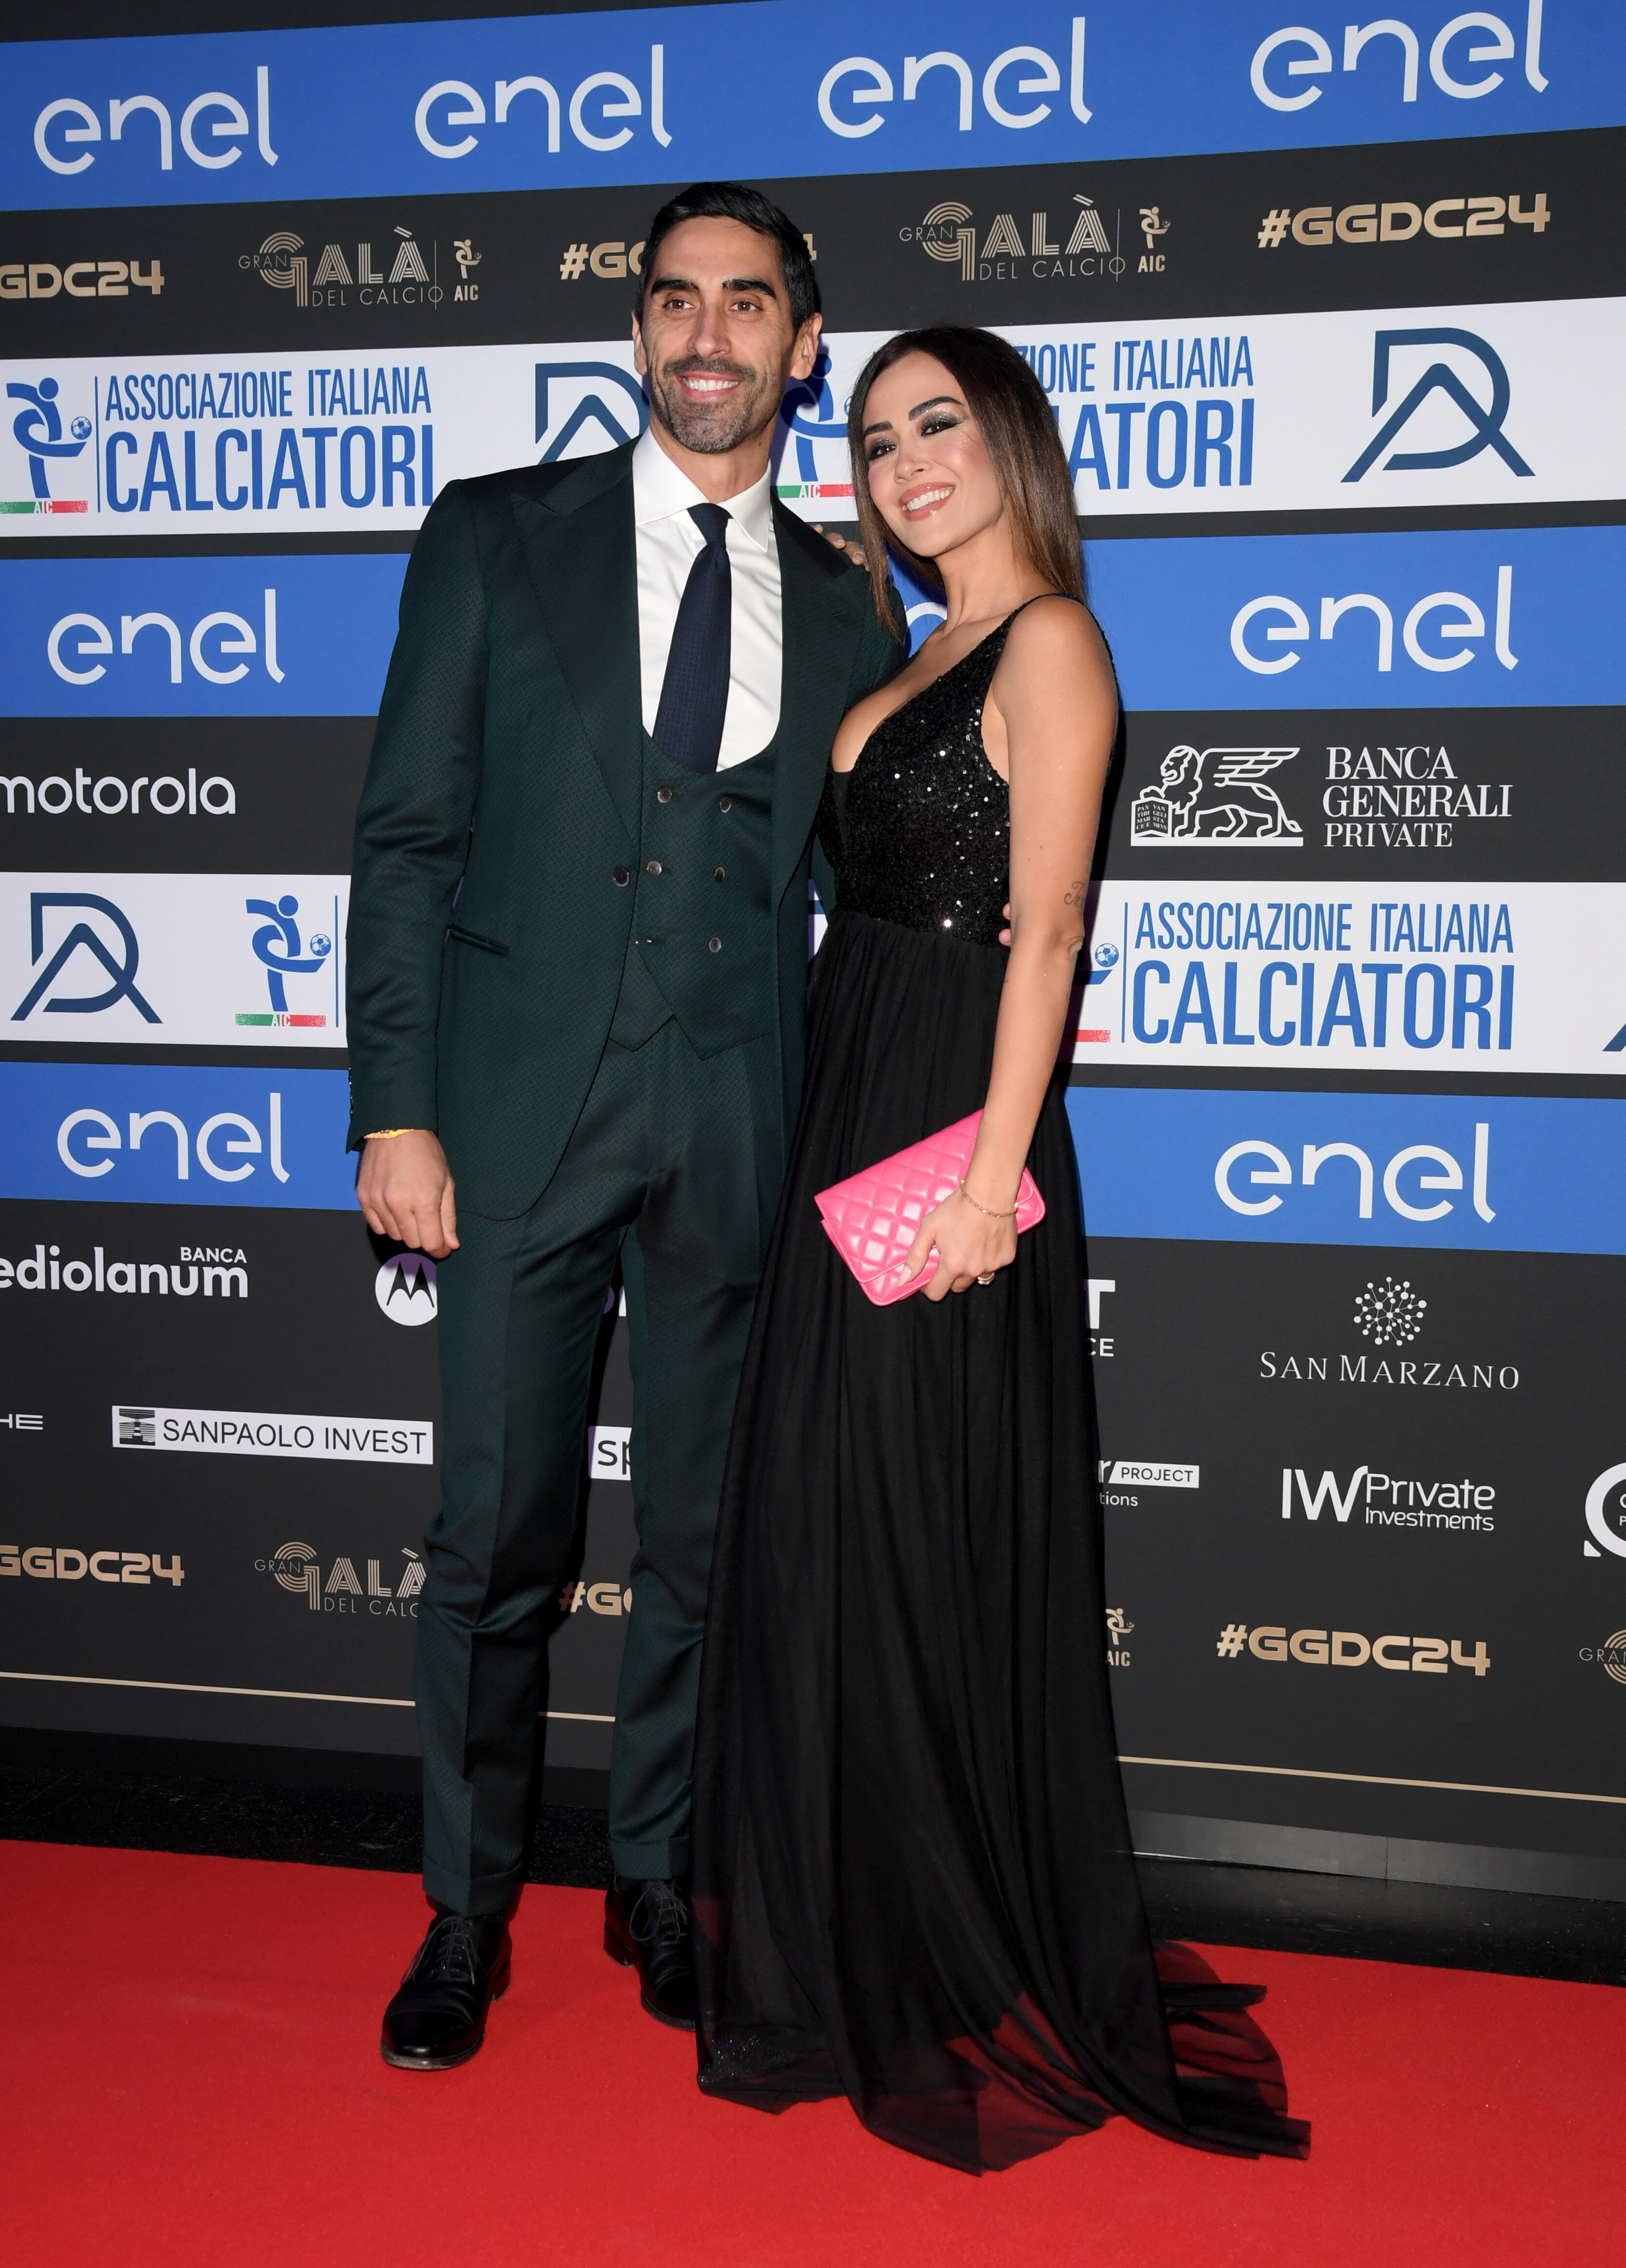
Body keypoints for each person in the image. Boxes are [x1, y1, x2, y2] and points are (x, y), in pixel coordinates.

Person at [690, 327, 1310, 2173]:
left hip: (954, 1122)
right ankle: (851, 1927)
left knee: (910, 1519)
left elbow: (1048, 931)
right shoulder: (913, 648)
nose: (904, 463)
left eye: (939, 424)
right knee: (826, 1525)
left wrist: (984, 1179)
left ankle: (942, 1938)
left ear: (1015, 439)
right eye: (878, 437)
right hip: (849, 1086)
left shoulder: (1051, 643)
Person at [346, 183, 907, 2072]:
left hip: (744, 1120)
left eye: (747, 303)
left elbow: (874, 885)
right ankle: (464, 1911)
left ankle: (661, 1874)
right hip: (515, 1121)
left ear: (803, 344)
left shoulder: (852, 597)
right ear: (638, 329)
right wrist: (396, 1112)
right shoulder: (497, 536)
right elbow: (406, 844)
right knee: (492, 1536)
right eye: (676, 300)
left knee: (703, 1539)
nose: (706, 334)